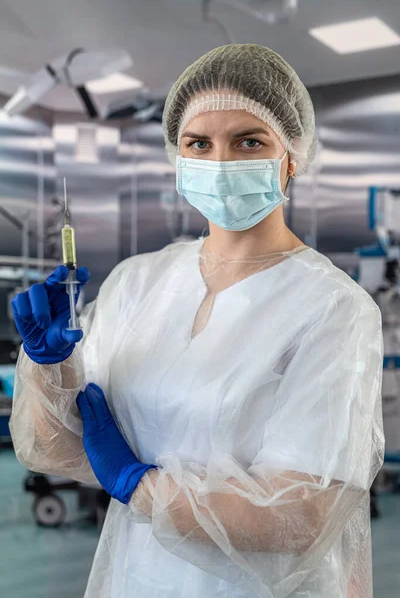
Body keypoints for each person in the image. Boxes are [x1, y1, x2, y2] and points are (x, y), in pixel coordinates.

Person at [9, 44, 383, 598]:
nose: (221, 162)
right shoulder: (139, 283)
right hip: (137, 578)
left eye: (248, 141)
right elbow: (59, 447)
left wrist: (139, 486)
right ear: (177, 156)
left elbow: (300, 517)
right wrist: (50, 366)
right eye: (199, 143)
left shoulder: (332, 308)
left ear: (292, 156)